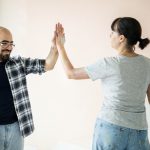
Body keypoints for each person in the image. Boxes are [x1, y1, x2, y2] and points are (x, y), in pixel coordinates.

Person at [55, 17, 150, 150]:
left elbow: (71, 73)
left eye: (113, 32)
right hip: (139, 132)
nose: (110, 35)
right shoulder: (148, 64)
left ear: (121, 38)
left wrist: (60, 45)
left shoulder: (110, 63)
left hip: (111, 128)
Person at [0, 26, 58, 150]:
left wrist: (55, 46)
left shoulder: (18, 63)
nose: (9, 48)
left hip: (16, 127)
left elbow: (48, 65)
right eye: (4, 43)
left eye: (11, 44)